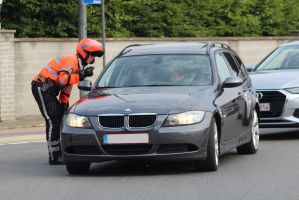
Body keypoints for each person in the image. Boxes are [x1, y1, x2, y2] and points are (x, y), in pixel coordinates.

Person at [31, 38, 104, 165]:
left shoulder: (76, 67)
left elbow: (67, 87)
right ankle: (54, 156)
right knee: (52, 119)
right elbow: (63, 79)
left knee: (59, 117)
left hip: (48, 91)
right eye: (92, 55)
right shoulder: (71, 60)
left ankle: (59, 152)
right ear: (84, 53)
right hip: (41, 88)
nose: (93, 59)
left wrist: (64, 103)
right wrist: (82, 75)